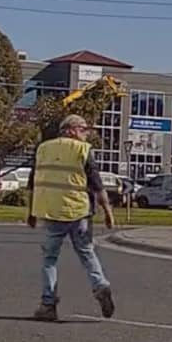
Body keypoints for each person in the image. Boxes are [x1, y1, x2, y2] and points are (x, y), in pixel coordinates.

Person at [25, 114, 116, 321]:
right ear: (71, 130)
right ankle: (100, 285)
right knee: (87, 253)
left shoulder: (43, 149)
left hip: (51, 211)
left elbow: (33, 183)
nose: (87, 134)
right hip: (79, 212)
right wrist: (108, 212)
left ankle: (48, 305)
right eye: (84, 129)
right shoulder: (82, 150)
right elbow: (97, 185)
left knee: (49, 259)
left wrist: (30, 213)